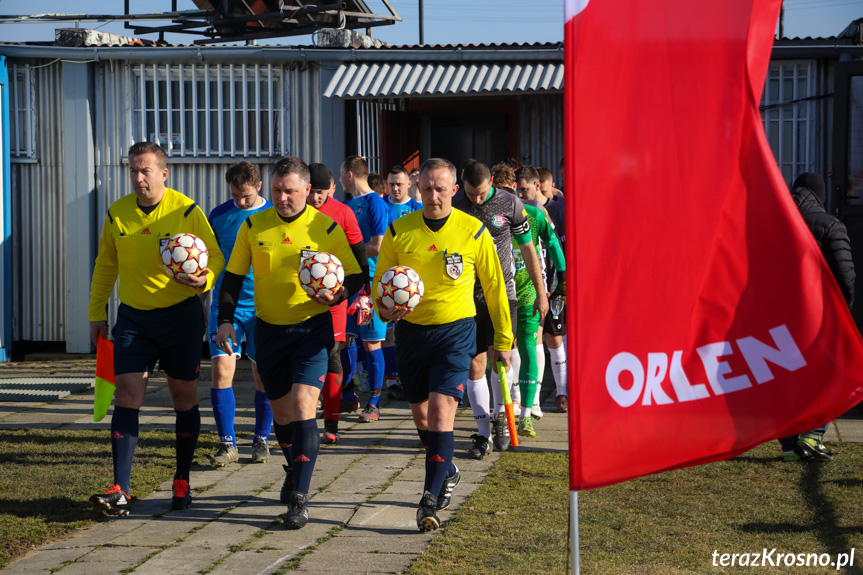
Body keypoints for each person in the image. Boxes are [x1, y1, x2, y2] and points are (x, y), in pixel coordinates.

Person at [217, 156, 364, 529]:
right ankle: (292, 466)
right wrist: (224, 322)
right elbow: (232, 278)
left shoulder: (325, 228)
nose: (284, 198)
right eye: (279, 190)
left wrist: (340, 295)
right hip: (267, 331)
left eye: (292, 191)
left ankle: (300, 497)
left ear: (307, 191)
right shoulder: (253, 225)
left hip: (311, 330)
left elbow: (357, 273)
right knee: (282, 415)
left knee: (302, 407)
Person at [372, 158, 513, 531]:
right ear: (418, 189)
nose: (433, 195)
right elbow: (380, 287)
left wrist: (503, 338)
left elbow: (496, 286)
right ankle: (446, 468)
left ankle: (429, 501)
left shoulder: (473, 231)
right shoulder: (400, 231)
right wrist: (385, 311)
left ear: (454, 190)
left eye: (441, 188)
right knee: (422, 418)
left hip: (456, 333)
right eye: (427, 188)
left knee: (440, 413)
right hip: (412, 334)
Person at [88, 141, 225, 515]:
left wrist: (205, 280)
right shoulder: (118, 213)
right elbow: (106, 264)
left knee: (184, 398)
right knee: (127, 395)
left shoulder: (186, 210)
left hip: (180, 316)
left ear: (164, 173)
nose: (138, 177)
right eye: (133, 169)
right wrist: (95, 310)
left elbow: (214, 255)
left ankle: (182, 480)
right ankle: (121, 488)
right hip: (134, 319)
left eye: (145, 170)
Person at [454, 160, 548, 458]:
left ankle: (501, 420)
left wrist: (542, 292)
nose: (477, 200)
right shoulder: (454, 204)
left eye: (482, 194)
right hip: (467, 297)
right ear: (461, 184)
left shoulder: (511, 204)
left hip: (503, 295)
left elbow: (529, 250)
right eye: (471, 194)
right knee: (475, 365)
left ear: (492, 181)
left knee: (502, 359)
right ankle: (483, 434)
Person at [779, 172, 855, 462]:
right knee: (827, 374)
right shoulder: (829, 225)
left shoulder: (777, 221)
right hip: (820, 314)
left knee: (786, 377)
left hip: (781, 316)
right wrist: (845, 307)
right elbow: (845, 274)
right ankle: (812, 435)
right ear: (820, 196)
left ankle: (788, 445)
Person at [207, 162, 274, 467]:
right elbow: (210, 258)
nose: (240, 201)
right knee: (221, 372)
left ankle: (261, 439)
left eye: (245, 196)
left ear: (258, 187)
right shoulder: (219, 215)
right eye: (235, 195)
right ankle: (227, 444)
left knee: (263, 375)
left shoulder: (273, 216)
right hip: (227, 306)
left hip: (264, 307)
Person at [306, 163, 367, 444]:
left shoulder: (343, 213)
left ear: (331, 188)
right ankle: (301, 419)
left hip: (334, 299)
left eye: (320, 192)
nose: (315, 198)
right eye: (311, 192)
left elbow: (360, 262)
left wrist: (354, 294)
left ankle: (332, 423)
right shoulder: (291, 210)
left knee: (333, 354)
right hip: (296, 302)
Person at [504, 175, 566, 439]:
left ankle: (527, 414)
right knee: (501, 352)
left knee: (531, 347)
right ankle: (503, 410)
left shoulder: (533, 214)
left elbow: (553, 243)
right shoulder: (488, 217)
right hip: (500, 294)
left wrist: (562, 279)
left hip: (530, 291)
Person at [515, 166, 569, 415]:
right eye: (518, 189)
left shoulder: (556, 210)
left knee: (554, 339)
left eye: (524, 189)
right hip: (529, 287)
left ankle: (561, 392)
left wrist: (561, 281)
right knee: (530, 340)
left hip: (553, 285)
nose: (520, 194)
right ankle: (531, 401)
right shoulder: (516, 211)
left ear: (537, 186)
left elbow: (560, 247)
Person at [341, 155, 390, 422]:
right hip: (350, 281)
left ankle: (374, 402)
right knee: (346, 339)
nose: (338, 180)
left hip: (371, 284)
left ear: (350, 175)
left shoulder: (375, 203)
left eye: (340, 175)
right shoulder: (350, 204)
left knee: (372, 344)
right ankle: (348, 397)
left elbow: (378, 245)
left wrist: (347, 256)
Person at [383, 165, 423, 399]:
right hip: (387, 281)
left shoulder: (417, 209)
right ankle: (391, 382)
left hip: (412, 285)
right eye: (392, 184)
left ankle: (411, 378)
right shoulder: (382, 207)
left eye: (399, 184)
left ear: (410, 184)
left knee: (412, 333)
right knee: (389, 334)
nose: (395, 188)